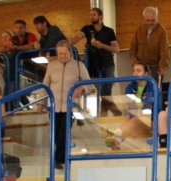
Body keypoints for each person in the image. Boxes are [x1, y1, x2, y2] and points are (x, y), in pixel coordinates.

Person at [42, 40, 90, 168]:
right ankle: (62, 158)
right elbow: (45, 85)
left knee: (64, 133)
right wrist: (41, 103)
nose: (62, 56)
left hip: (70, 107)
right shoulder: (51, 66)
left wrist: (81, 88)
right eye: (60, 53)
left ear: (70, 53)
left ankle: (58, 160)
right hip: (54, 106)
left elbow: (89, 84)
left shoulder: (79, 66)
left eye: (65, 53)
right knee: (56, 134)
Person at [71, 7, 120, 116]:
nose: (91, 16)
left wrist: (102, 45)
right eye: (90, 14)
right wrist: (65, 45)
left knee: (106, 90)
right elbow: (76, 38)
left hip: (107, 64)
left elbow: (116, 49)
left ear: (100, 16)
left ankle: (106, 112)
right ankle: (112, 110)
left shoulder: (109, 31)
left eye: (94, 14)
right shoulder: (87, 29)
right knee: (103, 91)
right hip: (93, 65)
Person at [130, 6, 169, 81]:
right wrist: (133, 58)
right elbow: (133, 46)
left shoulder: (162, 31)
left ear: (157, 18)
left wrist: (162, 66)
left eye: (153, 20)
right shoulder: (140, 29)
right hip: (140, 66)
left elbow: (164, 51)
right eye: (148, 20)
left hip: (155, 67)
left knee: (154, 87)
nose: (150, 23)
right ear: (144, 19)